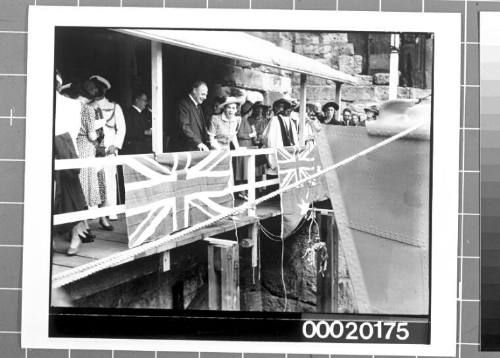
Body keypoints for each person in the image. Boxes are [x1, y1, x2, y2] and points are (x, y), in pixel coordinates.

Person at [53, 72, 92, 255]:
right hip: (48, 152)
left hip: (64, 150)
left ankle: (76, 236)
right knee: (50, 199)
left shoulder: (71, 105)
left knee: (70, 195)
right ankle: (50, 241)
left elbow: (73, 130)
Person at [88, 75, 126, 227]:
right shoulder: (87, 106)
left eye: (98, 87)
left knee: (109, 181)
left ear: (104, 89)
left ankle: (109, 212)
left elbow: (121, 128)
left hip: (109, 149)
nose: (96, 90)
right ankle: (93, 213)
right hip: (92, 149)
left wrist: (115, 145)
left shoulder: (114, 106)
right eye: (94, 87)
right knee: (93, 180)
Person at [263, 97, 299, 170]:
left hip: (286, 151)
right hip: (278, 151)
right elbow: (269, 138)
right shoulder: (275, 120)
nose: (288, 111)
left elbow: (294, 138)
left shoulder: (290, 121)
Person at [176, 81, 210, 152]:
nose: (205, 97)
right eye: (203, 94)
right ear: (194, 91)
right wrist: (198, 143)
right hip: (188, 150)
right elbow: (184, 126)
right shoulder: (184, 104)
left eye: (206, 95)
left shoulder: (198, 105)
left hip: (199, 149)